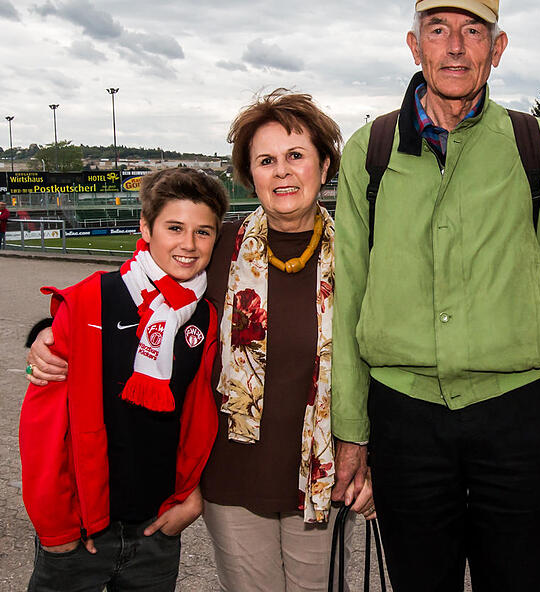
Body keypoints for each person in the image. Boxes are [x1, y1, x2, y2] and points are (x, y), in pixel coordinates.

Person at [26, 91, 373, 592]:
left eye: (296, 156)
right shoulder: (217, 244)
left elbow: (385, 354)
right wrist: (47, 332)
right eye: (266, 160)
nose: (282, 172)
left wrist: (370, 454)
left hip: (319, 479)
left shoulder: (360, 255)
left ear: (324, 166)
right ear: (248, 173)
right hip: (230, 479)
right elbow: (130, 294)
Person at [330, 0, 540, 592]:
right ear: (414, 45)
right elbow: (350, 295)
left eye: (474, 32)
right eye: (438, 29)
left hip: (515, 411)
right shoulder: (372, 148)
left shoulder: (536, 144)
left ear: (498, 50)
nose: (455, 46)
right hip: (405, 412)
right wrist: (351, 430)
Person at [20, 167, 227, 591]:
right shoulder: (91, 299)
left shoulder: (205, 317)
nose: (188, 245)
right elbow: (42, 426)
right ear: (145, 228)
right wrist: (55, 527)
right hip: (79, 532)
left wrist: (191, 498)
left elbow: (201, 418)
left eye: (203, 232)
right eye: (174, 228)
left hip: (157, 531)